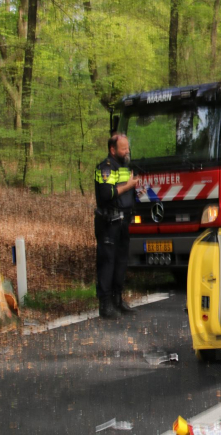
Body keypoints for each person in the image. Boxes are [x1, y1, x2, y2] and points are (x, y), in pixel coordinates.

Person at [94, 134, 141, 319]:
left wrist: (135, 189)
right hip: (108, 222)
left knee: (121, 262)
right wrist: (128, 186)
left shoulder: (125, 166)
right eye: (123, 148)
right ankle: (105, 305)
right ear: (113, 150)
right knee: (107, 263)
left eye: (128, 147)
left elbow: (126, 192)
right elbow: (107, 193)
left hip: (123, 221)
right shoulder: (105, 168)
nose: (127, 151)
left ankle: (117, 300)